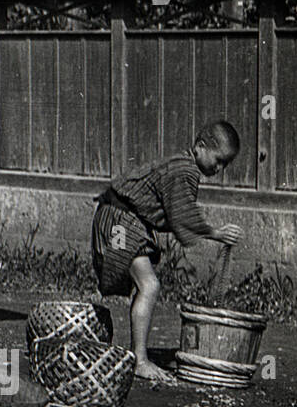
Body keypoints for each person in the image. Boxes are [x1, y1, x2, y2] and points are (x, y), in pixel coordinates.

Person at [91, 120, 243, 384]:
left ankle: (128, 351)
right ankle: (139, 360)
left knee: (144, 285)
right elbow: (182, 213)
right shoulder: (185, 169)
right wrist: (214, 232)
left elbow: (176, 212)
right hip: (120, 220)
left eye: (225, 165)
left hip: (121, 218)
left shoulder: (182, 165)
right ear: (200, 147)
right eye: (218, 160)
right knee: (149, 285)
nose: (219, 169)